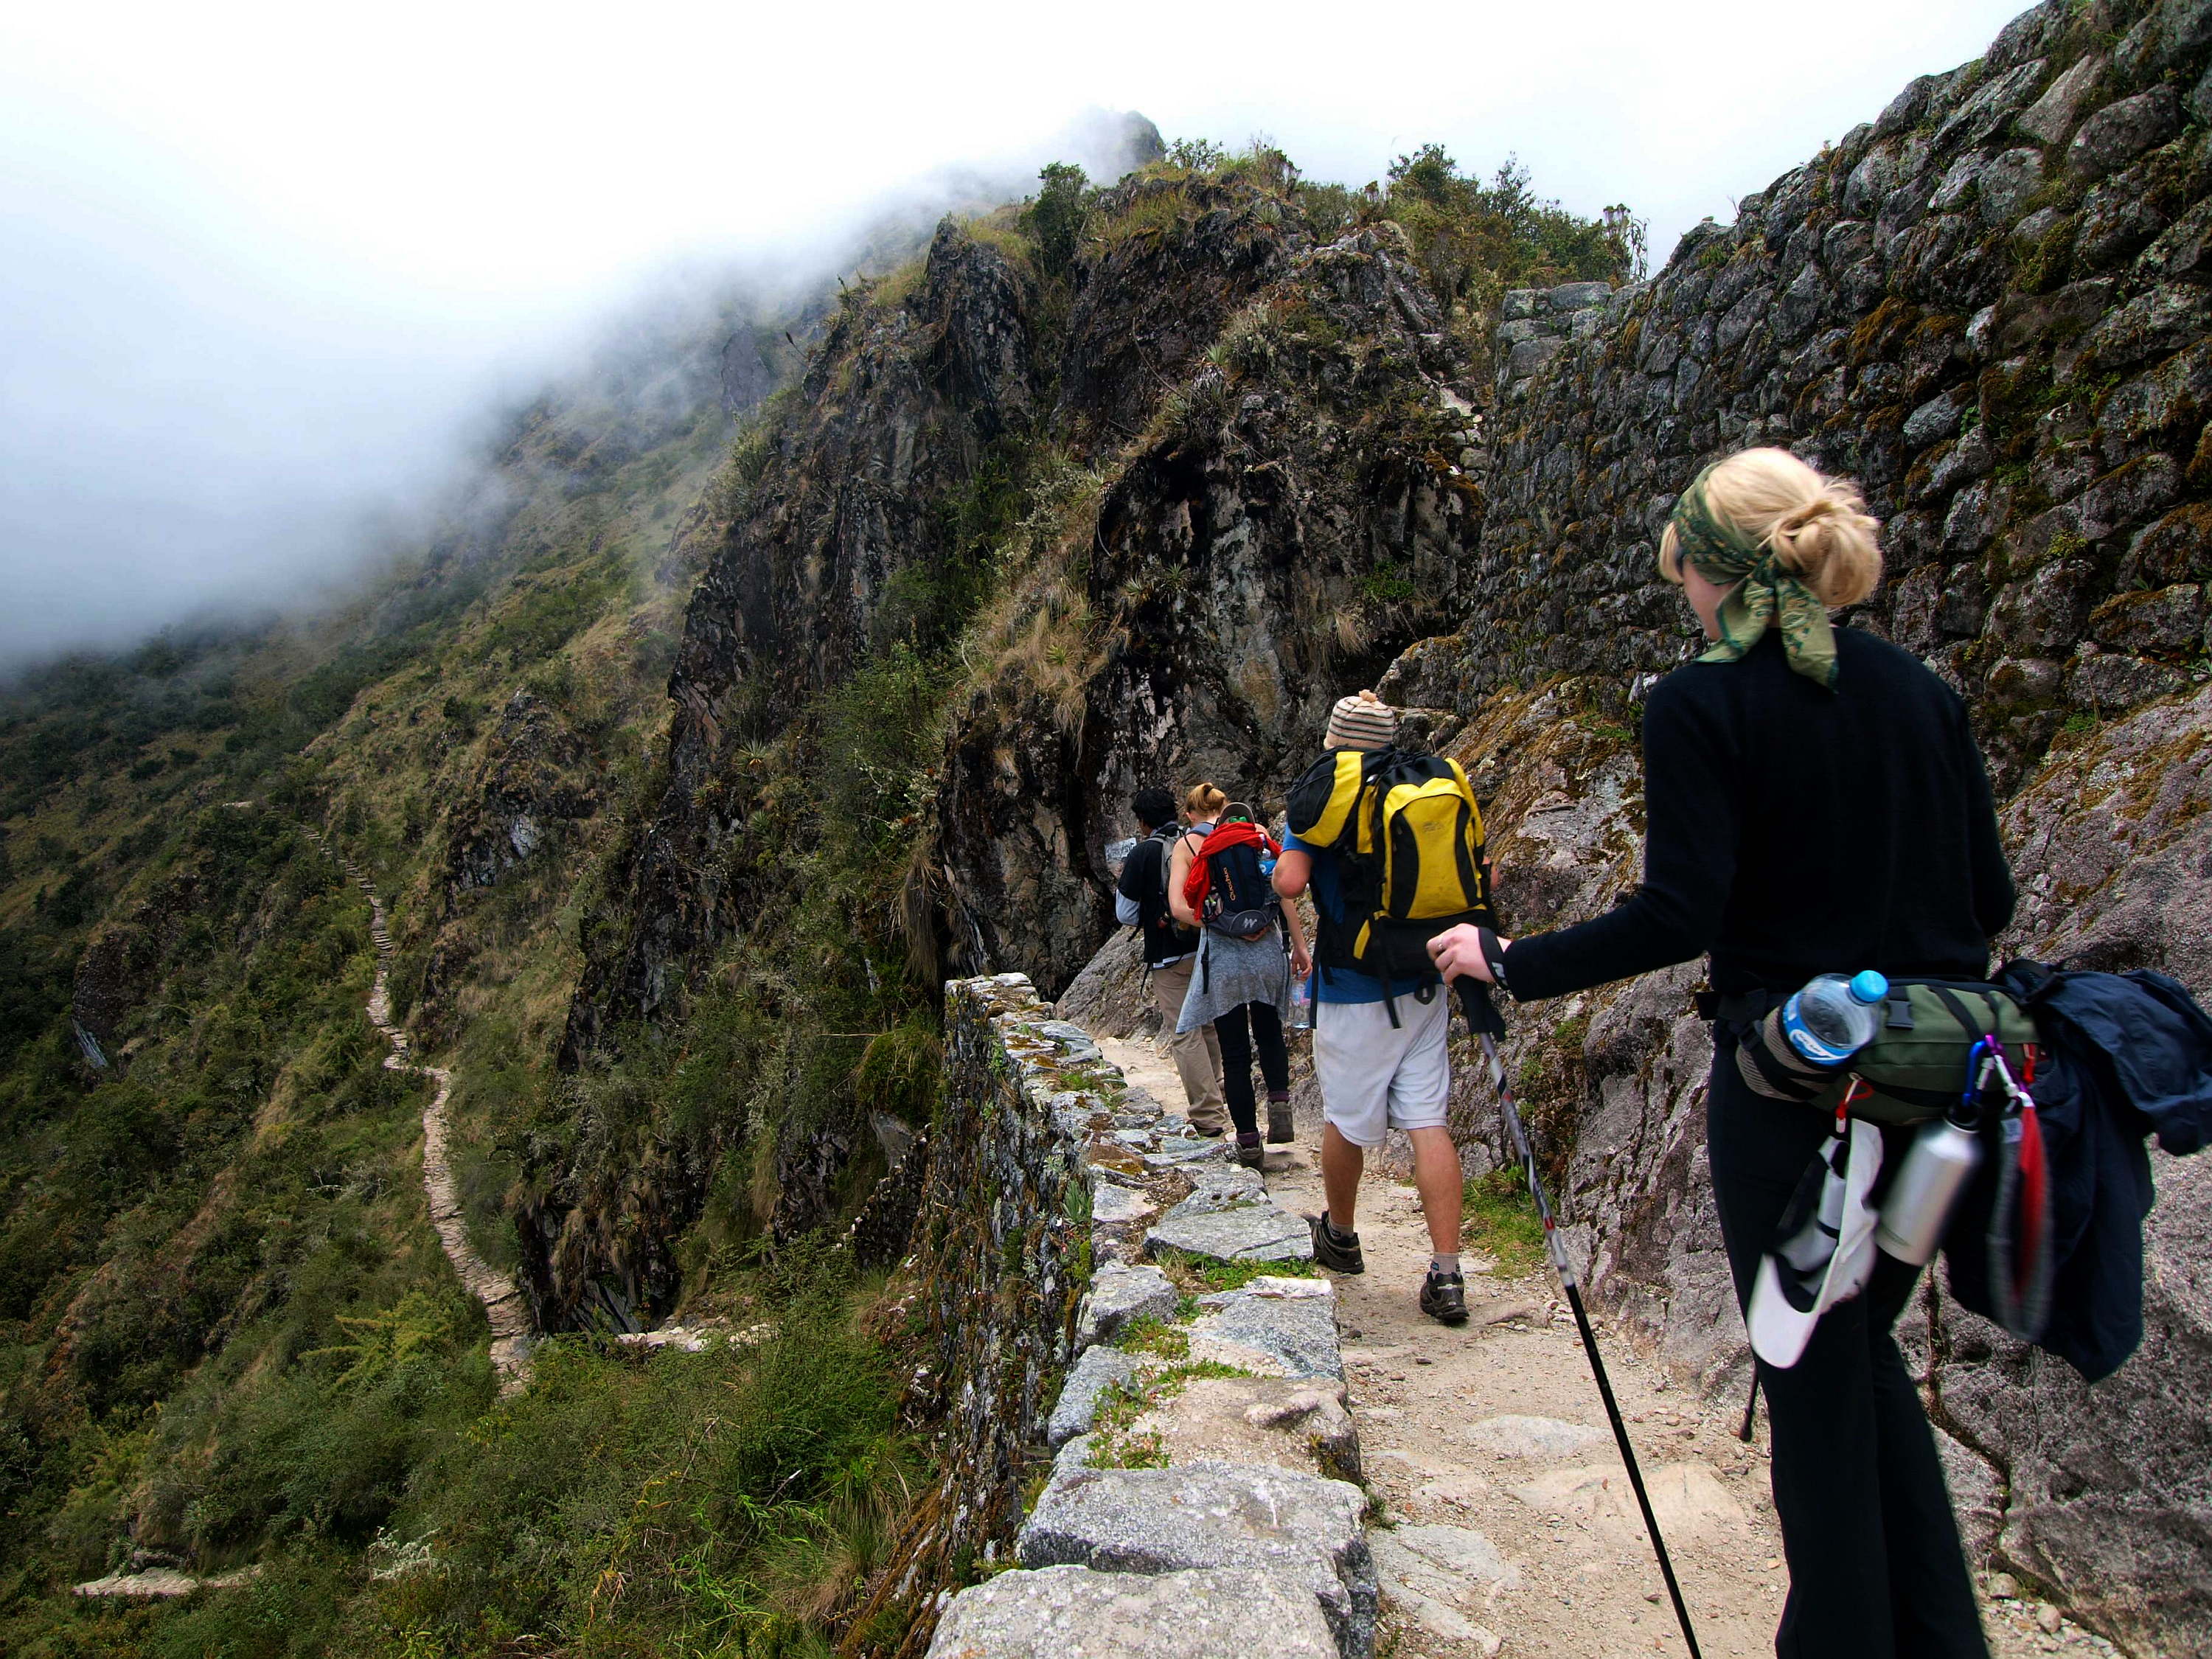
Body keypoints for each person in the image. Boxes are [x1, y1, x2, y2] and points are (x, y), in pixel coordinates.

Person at [1431, 447, 2008, 1659]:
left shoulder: (1699, 702)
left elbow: (1682, 914)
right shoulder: (1924, 694)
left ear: (1718, 571)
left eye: (1682, 571)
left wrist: (1511, 960)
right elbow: (1990, 901)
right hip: (1937, 1087)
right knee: (1852, 1349)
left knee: (1809, 1371)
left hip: (1797, 1096)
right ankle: (1942, 1639)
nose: (1679, 593)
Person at [1273, 692, 1469, 1326]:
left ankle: (1342, 1236)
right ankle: (1445, 1273)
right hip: (1425, 978)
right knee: (1427, 1121)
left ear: (1334, 742)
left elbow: (1290, 883)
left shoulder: (1327, 795)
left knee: (1347, 1120)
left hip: (1355, 985)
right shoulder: (1430, 782)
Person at [1172, 788, 1312, 1169]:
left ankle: (1249, 1142)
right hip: (1267, 952)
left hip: (1223, 962)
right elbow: (1284, 894)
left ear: (1191, 813)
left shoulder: (1187, 847)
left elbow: (1178, 907)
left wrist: (1224, 924)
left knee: (1235, 1055)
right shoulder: (1258, 835)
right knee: (1269, 1033)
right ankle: (1280, 1105)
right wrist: (1299, 946)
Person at [1114, 785, 1228, 1135]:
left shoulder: (1143, 853)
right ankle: (1223, 1096)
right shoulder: (1193, 842)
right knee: (1208, 1025)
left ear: (1143, 821)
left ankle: (1208, 1116)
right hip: (1206, 946)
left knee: (1184, 1032)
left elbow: (1126, 913)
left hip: (1168, 954)